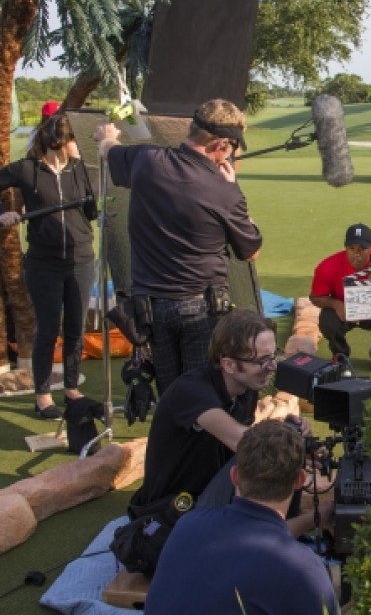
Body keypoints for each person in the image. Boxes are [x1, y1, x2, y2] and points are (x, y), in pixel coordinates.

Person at [95, 99, 262, 393]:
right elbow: (250, 251)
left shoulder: (146, 160)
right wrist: (233, 188)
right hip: (201, 311)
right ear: (221, 144)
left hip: (152, 311)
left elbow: (107, 150)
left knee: (171, 398)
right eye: (234, 147)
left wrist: (109, 136)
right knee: (203, 398)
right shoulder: (225, 193)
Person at [145, 420, 339, 615]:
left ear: (235, 476)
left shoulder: (188, 525)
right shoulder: (304, 569)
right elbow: (264, 543)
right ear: (300, 480)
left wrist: (311, 519)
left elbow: (254, 537)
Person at [127, 309, 309, 515]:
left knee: (284, 440)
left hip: (208, 491)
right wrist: (288, 435)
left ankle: (283, 528)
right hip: (172, 507)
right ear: (229, 365)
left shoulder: (245, 388)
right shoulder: (192, 390)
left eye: (273, 356)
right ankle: (282, 532)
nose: (272, 367)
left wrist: (290, 430)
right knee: (272, 451)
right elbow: (245, 443)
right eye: (262, 361)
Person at [0, 110, 96, 419]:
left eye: (69, 141)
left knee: (76, 329)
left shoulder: (81, 170)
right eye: (63, 141)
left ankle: (71, 388)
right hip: (44, 264)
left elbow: (91, 212)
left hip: (81, 260)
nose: (65, 146)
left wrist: (81, 164)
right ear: (51, 140)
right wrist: (4, 213)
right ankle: (43, 396)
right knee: (48, 329)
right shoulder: (27, 170)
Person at [309, 223, 371, 369]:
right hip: (345, 312)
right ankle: (341, 355)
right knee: (327, 320)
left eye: (362, 249)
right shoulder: (328, 267)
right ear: (345, 248)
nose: (356, 254)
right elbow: (315, 297)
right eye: (352, 249)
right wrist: (336, 305)